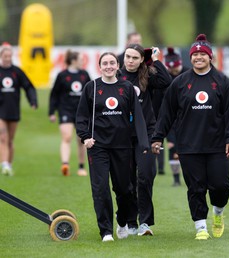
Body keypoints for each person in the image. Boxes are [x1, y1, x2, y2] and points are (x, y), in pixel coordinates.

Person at [151, 34, 229, 240]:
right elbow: (167, 113)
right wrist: (157, 137)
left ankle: (218, 214)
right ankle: (201, 227)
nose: (198, 57)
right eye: (195, 54)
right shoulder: (180, 82)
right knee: (195, 187)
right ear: (190, 58)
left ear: (210, 57)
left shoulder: (222, 81)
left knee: (221, 186)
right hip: (189, 145)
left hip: (217, 145)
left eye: (202, 54)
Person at [75, 52, 149, 242]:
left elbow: (138, 117)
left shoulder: (127, 88)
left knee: (125, 189)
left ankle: (122, 220)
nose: (108, 66)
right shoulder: (91, 87)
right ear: (100, 66)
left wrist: (143, 142)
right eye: (104, 63)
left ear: (118, 66)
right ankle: (106, 231)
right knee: (100, 189)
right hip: (98, 146)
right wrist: (85, 138)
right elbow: (82, 117)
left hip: (122, 147)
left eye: (112, 63)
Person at [119, 43, 171, 236]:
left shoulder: (147, 75)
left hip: (147, 133)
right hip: (122, 135)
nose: (130, 61)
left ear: (142, 59)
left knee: (146, 175)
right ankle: (131, 221)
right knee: (127, 180)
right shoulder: (117, 76)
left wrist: (156, 61)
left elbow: (166, 81)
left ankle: (145, 223)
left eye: (135, 57)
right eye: (128, 57)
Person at [49, 50, 91, 176]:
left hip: (82, 112)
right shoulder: (62, 75)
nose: (83, 61)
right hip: (65, 110)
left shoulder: (85, 74)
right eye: (80, 59)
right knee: (66, 137)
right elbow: (54, 94)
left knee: (81, 140)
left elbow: (90, 93)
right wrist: (51, 112)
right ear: (73, 61)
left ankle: (81, 167)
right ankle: (65, 164)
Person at [0, 42, 38, 176]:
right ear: (1, 56)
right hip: (1, 110)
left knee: (10, 140)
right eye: (5, 56)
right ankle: (4, 164)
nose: (7, 58)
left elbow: (28, 86)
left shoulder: (17, 72)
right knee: (3, 137)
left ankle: (8, 165)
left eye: (9, 56)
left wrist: (33, 101)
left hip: (13, 110)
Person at [163, 47, 190, 186]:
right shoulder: (165, 76)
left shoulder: (188, 73)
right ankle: (176, 179)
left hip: (189, 117)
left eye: (175, 69)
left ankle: (192, 176)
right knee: (172, 147)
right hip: (172, 118)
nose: (173, 72)